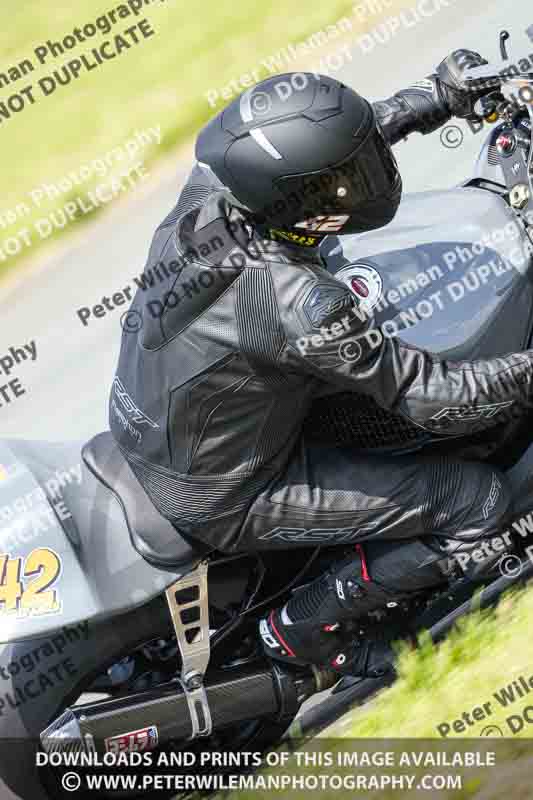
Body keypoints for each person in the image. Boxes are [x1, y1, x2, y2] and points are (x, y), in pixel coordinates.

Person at [109, 50, 532, 677]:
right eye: (351, 179)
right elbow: (434, 397)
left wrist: (438, 97)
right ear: (303, 206)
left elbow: (323, 152)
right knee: (472, 498)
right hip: (231, 490)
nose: (368, 178)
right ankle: (300, 627)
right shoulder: (298, 301)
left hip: (169, 423)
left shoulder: (212, 193)